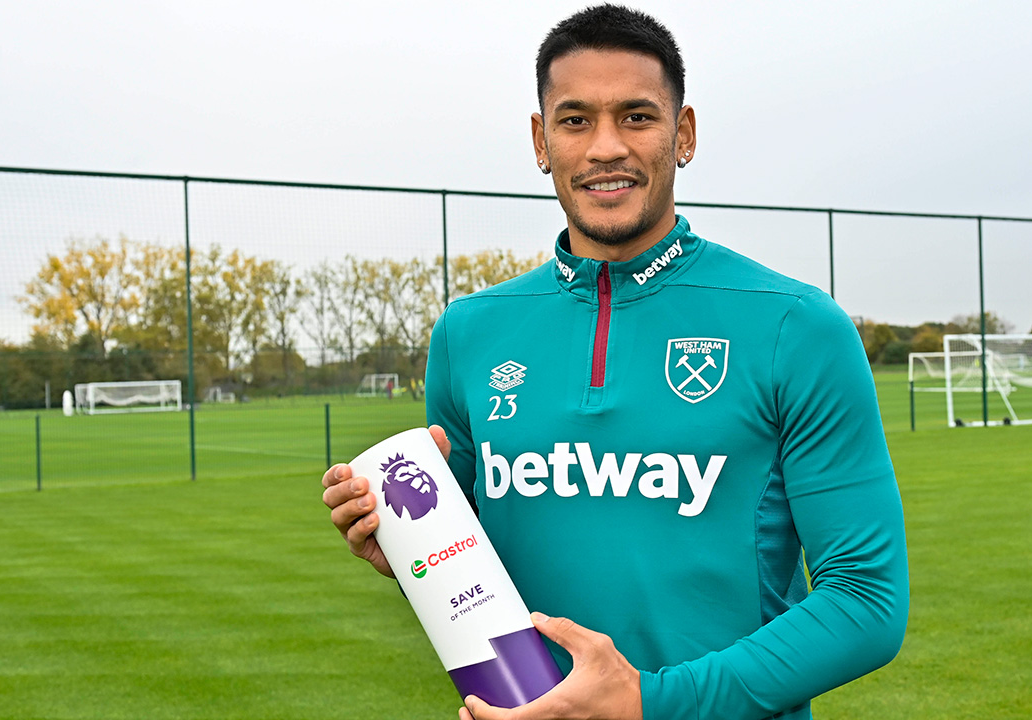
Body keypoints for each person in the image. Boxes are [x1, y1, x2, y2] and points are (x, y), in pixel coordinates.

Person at [322, 5, 909, 720]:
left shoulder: (797, 326)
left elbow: (866, 598)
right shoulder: (469, 334)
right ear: (541, 141)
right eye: (575, 121)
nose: (606, 147)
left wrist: (647, 703)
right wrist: (411, 545)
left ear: (683, 134)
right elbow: (484, 561)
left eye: (636, 117)